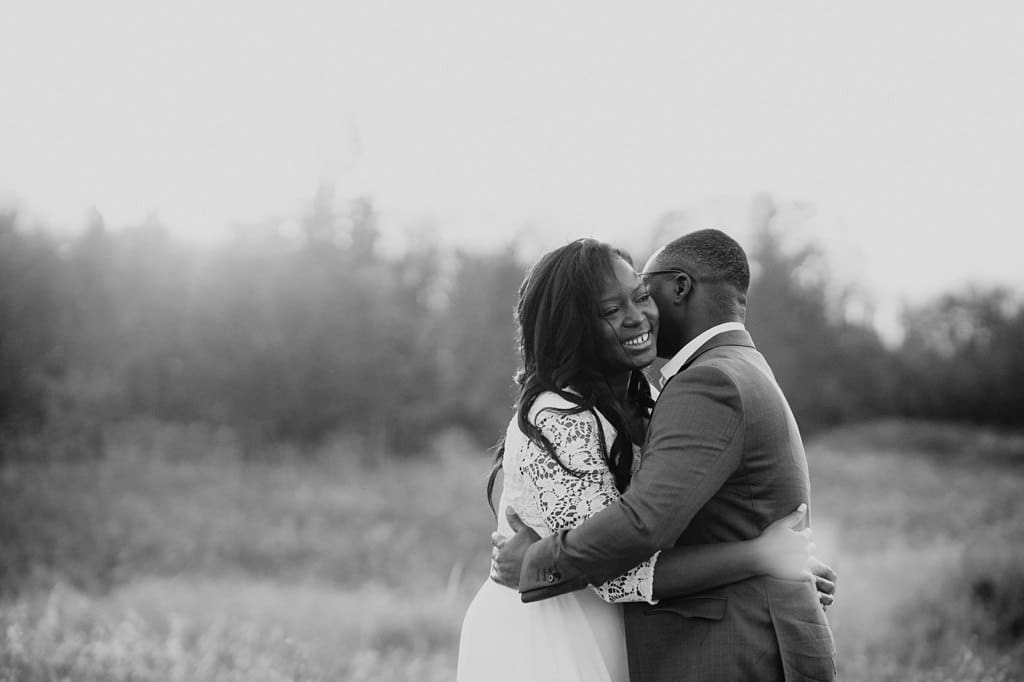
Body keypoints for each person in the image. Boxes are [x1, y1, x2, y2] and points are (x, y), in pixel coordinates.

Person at [458, 238, 835, 682]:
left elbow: (680, 517)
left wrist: (783, 561)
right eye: (609, 310)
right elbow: (619, 569)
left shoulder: (658, 397)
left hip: (627, 628)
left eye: (640, 297)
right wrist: (761, 556)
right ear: (572, 326)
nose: (637, 317)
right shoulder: (557, 417)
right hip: (555, 631)